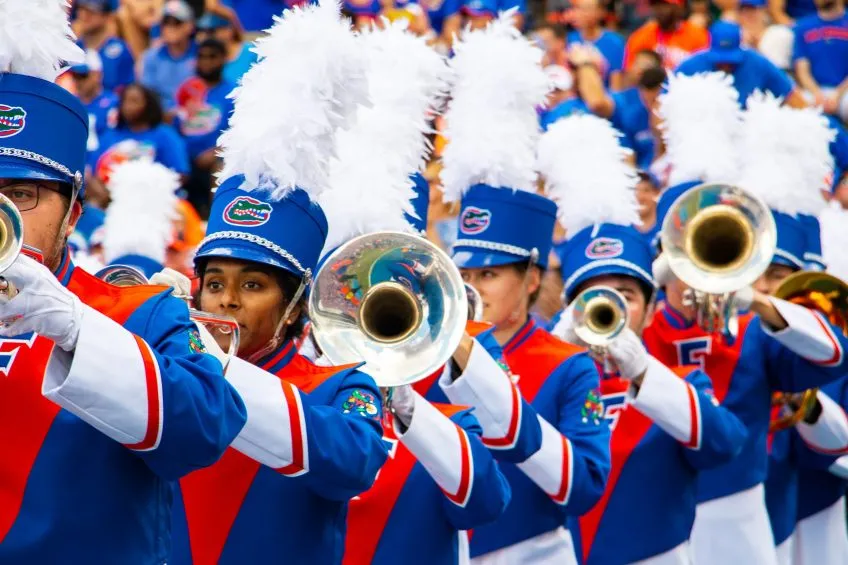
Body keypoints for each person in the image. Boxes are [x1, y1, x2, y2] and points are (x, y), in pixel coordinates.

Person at [0, 1, 247, 561]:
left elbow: (206, 428)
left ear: (74, 214)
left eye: (21, 194)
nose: (2, 213)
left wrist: (75, 329)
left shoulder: (140, 310)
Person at [166, 3, 390, 562]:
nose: (226, 300)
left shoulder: (343, 387)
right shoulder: (170, 369)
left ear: (294, 307)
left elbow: (353, 465)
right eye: (214, 282)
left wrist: (219, 370)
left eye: (253, 286)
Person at [435, 15, 611, 563]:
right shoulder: (425, 355)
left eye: (488, 275)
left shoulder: (568, 365)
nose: (471, 289)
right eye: (463, 275)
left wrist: (489, 385)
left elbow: (582, 485)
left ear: (532, 280)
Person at [647, 91, 848, 565]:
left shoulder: (756, 334)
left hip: (739, 520)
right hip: (655, 524)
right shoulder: (640, 335)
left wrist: (757, 301)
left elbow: (833, 354)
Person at [541, 114, 746, 565]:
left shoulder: (681, 380)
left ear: (651, 310)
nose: (612, 308)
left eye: (627, 296)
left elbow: (725, 444)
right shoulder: (551, 382)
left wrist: (642, 370)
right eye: (597, 297)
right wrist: (555, 351)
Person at [676, 21, 807, 108]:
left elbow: (793, 97)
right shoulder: (691, 66)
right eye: (720, 61)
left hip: (748, 135)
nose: (725, 65)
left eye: (730, 61)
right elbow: (663, 103)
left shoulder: (757, 63)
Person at [174, 38, 235, 218]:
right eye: (201, 57)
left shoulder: (232, 92)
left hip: (214, 158)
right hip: (184, 157)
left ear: (224, 59)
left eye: (212, 57)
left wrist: (216, 151)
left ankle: (215, 219)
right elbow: (174, 127)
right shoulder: (187, 90)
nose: (206, 62)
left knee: (219, 166)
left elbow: (240, 134)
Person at [91, 83, 189, 195]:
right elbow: (93, 172)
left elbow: (180, 174)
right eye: (125, 101)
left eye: (134, 101)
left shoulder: (165, 135)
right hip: (110, 198)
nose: (128, 106)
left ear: (148, 105)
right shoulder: (110, 135)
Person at [792, 0, 848, 122]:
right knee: (796, 109)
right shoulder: (802, 26)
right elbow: (802, 69)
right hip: (814, 91)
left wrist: (837, 94)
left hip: (844, 91)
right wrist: (817, 94)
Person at [140, 0, 198, 112]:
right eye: (166, 23)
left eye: (177, 23)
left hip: (195, 114)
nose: (170, 28)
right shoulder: (151, 57)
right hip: (160, 117)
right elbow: (148, 95)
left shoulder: (202, 54)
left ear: (190, 26)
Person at [624, 0, 709, 70]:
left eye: (664, 5)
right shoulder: (640, 36)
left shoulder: (699, 35)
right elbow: (629, 74)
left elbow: (705, 70)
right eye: (655, 4)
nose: (659, 9)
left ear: (679, 7)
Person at [74, 0, 136, 93]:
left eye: (91, 11)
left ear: (108, 16)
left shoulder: (120, 50)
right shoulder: (72, 48)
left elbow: (127, 91)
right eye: (80, 9)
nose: (83, 15)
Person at [69, 49, 119, 160]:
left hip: (101, 161)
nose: (78, 81)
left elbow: (112, 137)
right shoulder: (70, 104)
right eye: (74, 76)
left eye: (83, 76)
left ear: (98, 75)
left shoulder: (113, 103)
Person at [567, 0, 626, 89]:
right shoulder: (570, 39)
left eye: (587, 9)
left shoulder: (614, 42)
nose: (582, 13)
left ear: (601, 12)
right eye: (579, 8)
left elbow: (616, 84)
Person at [195, 12, 257, 84]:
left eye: (221, 29)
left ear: (232, 29)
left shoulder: (251, 51)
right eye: (211, 31)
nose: (217, 35)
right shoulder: (208, 56)